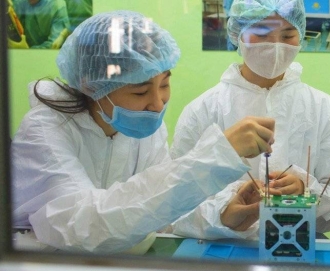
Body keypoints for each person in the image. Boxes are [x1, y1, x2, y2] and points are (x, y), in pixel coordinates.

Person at [11, 10, 275, 253]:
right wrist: (215, 156)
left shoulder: (143, 129)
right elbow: (85, 226)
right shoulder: (46, 130)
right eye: (140, 90)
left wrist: (225, 215)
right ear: (90, 85)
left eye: (164, 84)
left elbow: (159, 207)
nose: (158, 103)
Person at [169, 0, 330, 240]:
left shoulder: (325, 109)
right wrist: (224, 213)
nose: (275, 45)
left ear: (301, 36)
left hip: (299, 249)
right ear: (238, 36)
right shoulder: (203, 110)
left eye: (288, 34)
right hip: (219, 251)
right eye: (261, 33)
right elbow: (174, 203)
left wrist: (305, 191)